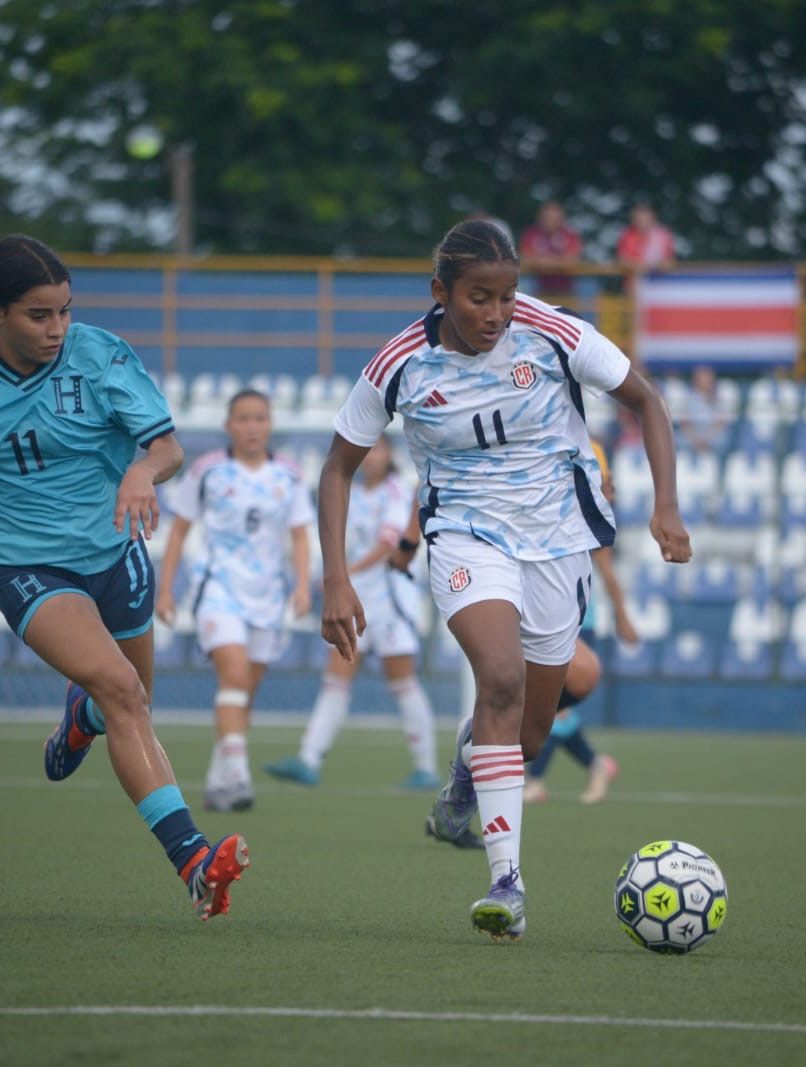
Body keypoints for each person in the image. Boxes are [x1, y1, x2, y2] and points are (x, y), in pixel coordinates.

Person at [0, 234, 249, 922]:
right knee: (124, 689)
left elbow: (167, 447)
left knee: (130, 702)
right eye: (39, 314)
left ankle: (81, 717)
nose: (58, 328)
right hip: (26, 566)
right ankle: (192, 861)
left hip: (117, 552)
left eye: (65, 310)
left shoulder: (100, 354)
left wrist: (138, 470)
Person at [318, 219, 690, 942]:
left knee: (528, 729)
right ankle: (506, 884)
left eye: (507, 297)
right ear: (441, 292)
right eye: (478, 298)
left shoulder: (552, 332)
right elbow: (337, 467)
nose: (495, 314)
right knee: (498, 676)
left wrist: (666, 505)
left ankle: (465, 776)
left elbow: (646, 400)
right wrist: (337, 576)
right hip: (464, 532)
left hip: (558, 539)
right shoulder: (399, 363)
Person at [156, 389, 314, 812]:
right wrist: (166, 587)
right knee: (234, 677)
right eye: (243, 419)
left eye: (260, 418)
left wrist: (302, 585)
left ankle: (216, 782)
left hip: (268, 595)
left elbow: (300, 534)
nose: (252, 427)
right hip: (219, 589)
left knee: (245, 690)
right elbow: (180, 528)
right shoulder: (207, 471)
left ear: (270, 424)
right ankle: (239, 777)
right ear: (229, 426)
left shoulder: (290, 474)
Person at [263, 439, 440, 791]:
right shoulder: (354, 493)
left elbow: (388, 545)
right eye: (367, 449)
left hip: (390, 598)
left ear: (390, 455)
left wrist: (344, 574)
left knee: (402, 680)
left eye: (379, 450)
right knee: (335, 678)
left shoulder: (395, 490)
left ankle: (426, 767)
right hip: (357, 597)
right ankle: (309, 758)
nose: (371, 456)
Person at [522, 440, 638, 805]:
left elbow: (607, 572)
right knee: (552, 708)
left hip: (576, 616)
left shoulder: (586, 517)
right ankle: (593, 765)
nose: (610, 488)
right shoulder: (558, 511)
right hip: (553, 613)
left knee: (553, 706)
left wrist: (623, 616)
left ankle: (537, 780)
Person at [519, 201, 584, 308]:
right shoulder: (531, 234)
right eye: (547, 218)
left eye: (554, 219)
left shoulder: (570, 235)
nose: (550, 222)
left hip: (566, 291)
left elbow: (571, 261)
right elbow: (525, 259)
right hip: (537, 291)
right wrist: (558, 261)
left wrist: (541, 261)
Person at [615, 203, 677, 282]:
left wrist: (652, 266)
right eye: (639, 220)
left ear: (652, 219)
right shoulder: (628, 235)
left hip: (660, 282)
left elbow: (670, 262)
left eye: (645, 220)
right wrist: (640, 266)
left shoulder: (662, 235)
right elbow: (622, 261)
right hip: (636, 282)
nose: (642, 224)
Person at [678, 365, 730, 454]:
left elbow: (721, 422)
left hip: (712, 436)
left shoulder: (719, 397)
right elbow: (684, 422)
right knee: (679, 440)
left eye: (708, 379)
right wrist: (695, 439)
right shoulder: (688, 397)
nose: (705, 382)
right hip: (692, 436)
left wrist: (706, 439)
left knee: (723, 440)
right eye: (702, 379)